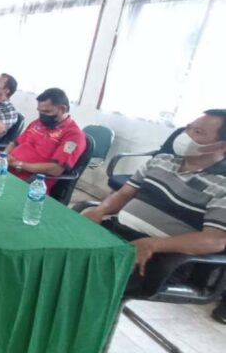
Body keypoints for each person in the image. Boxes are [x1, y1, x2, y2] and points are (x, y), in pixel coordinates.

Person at [82, 110, 226, 323]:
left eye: (198, 132)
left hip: (160, 257)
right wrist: (100, 211)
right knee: (57, 250)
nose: (185, 135)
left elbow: (215, 239)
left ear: (222, 146)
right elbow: (124, 194)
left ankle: (80, 332)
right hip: (117, 233)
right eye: (188, 128)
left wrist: (154, 244)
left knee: (82, 277)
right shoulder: (161, 161)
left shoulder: (221, 184)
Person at [2, 88, 86, 193]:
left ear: (63, 109)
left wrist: (18, 164)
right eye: (40, 111)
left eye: (47, 112)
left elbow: (56, 169)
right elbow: (15, 143)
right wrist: (3, 156)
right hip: (7, 170)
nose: (42, 116)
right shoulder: (38, 123)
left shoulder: (73, 135)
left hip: (30, 183)